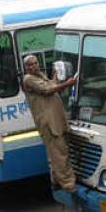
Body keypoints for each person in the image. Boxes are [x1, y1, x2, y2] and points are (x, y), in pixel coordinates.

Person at [22, 54, 78, 196]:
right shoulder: (28, 79)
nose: (33, 66)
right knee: (59, 154)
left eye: (35, 63)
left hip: (57, 119)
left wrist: (56, 78)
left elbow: (52, 86)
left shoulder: (40, 76)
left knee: (57, 153)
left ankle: (57, 181)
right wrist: (67, 84)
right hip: (49, 123)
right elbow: (47, 90)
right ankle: (68, 184)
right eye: (30, 65)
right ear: (26, 68)